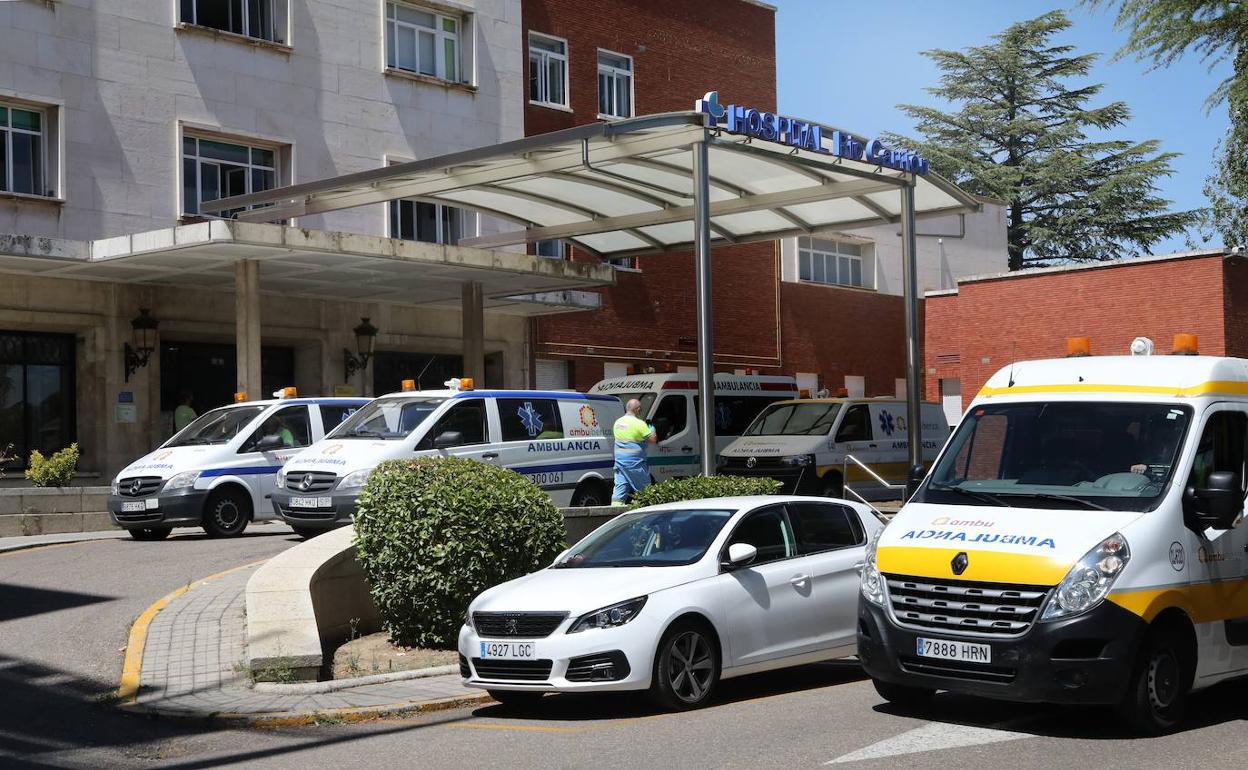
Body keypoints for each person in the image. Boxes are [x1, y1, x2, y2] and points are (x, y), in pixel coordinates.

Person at [612, 398, 656, 505]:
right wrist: (651, 427)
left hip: (620, 463)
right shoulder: (639, 424)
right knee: (645, 491)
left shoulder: (617, 423)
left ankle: (614, 510)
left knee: (620, 490)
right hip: (635, 464)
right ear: (638, 409)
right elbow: (653, 440)